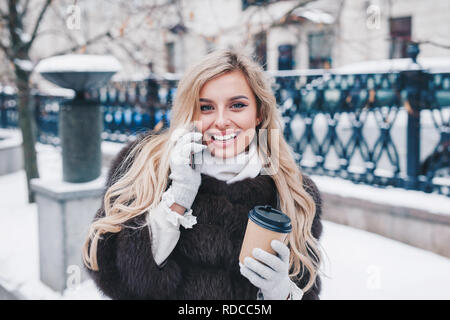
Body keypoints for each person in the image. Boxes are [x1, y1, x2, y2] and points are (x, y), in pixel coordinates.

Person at [82, 49, 323, 300]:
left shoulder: (292, 190)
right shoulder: (145, 166)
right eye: (206, 107)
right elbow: (117, 278)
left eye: (237, 105)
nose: (221, 121)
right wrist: (179, 196)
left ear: (259, 112)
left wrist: (280, 291)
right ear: (191, 112)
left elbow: (307, 288)